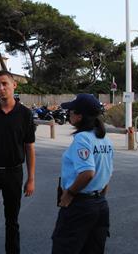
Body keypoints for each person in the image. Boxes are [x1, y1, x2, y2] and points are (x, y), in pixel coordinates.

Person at [0, 70, 36, 254]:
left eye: (4, 84)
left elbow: (29, 146)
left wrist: (31, 178)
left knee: (12, 221)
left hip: (14, 173)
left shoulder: (25, 114)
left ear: (14, 85)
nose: (1, 88)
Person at [52, 94, 114, 253]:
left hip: (80, 205)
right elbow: (106, 171)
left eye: (71, 111)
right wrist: (100, 196)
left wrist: (69, 194)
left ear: (79, 116)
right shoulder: (104, 139)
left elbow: (87, 172)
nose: (69, 114)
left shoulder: (82, 138)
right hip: (100, 205)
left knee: (65, 247)